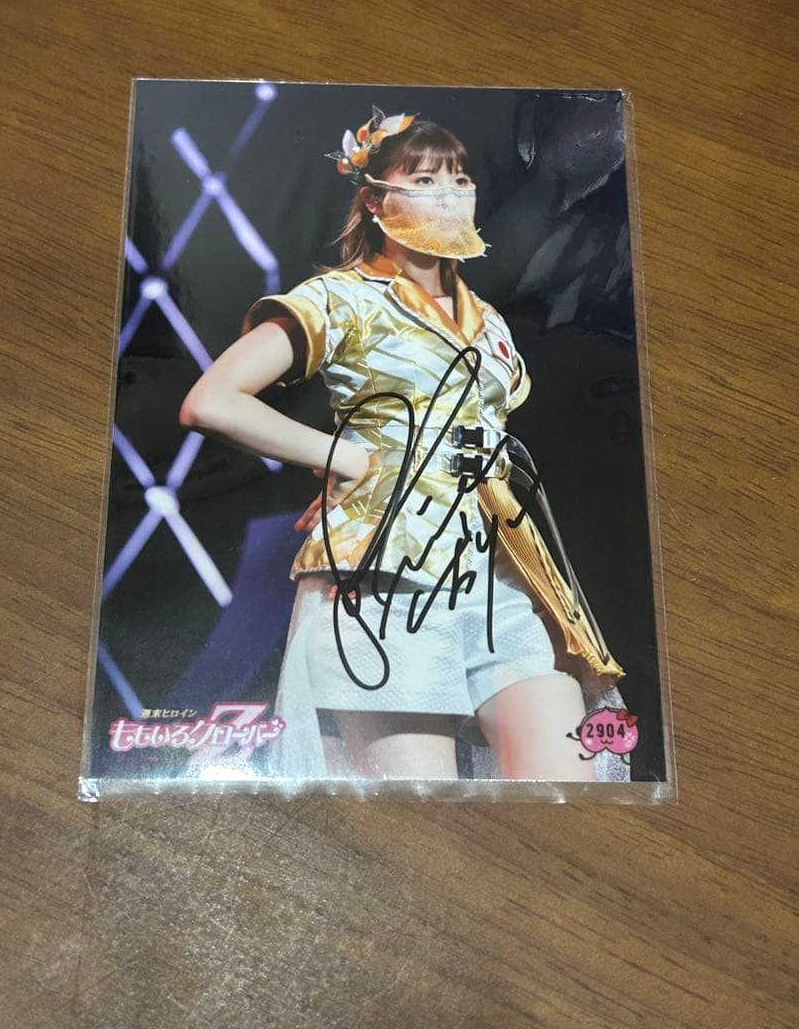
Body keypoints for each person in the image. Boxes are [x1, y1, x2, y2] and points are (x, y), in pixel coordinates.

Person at [179, 106, 630, 784]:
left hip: (501, 574)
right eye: (424, 180)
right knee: (422, 816)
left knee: (567, 794)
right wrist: (348, 459)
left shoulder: (490, 322)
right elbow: (210, 400)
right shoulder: (341, 299)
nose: (448, 195)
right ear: (374, 201)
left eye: (458, 181)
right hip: (384, 576)